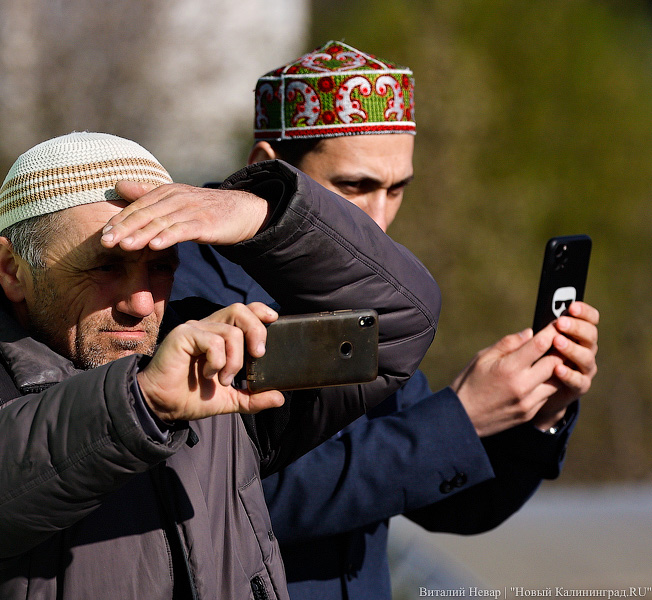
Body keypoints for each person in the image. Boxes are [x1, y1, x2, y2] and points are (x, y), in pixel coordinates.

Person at [0, 131, 442, 599]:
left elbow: (394, 328)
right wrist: (141, 404)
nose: (141, 304)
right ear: (12, 269)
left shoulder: (211, 367)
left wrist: (264, 217)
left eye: (161, 267)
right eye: (105, 267)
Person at [171, 41, 600, 599]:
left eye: (397, 189)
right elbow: (242, 495)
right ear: (265, 170)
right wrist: (461, 418)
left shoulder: (376, 293)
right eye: (354, 187)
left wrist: (535, 413)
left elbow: (450, 502)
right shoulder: (180, 288)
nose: (377, 219)